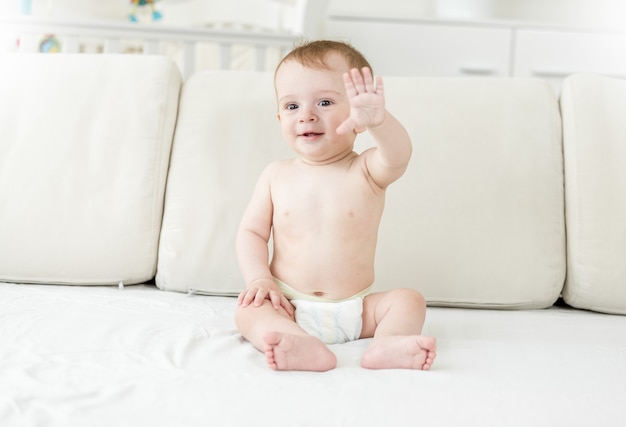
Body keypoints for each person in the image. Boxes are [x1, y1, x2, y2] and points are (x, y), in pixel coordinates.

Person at [235, 40, 436, 372]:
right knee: (248, 312)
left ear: (357, 120)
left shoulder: (367, 170)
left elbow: (399, 155)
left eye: (325, 102)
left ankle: (387, 345)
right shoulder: (275, 175)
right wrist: (259, 280)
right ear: (279, 117)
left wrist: (379, 121)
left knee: (408, 300)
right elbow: (251, 232)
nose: (307, 115)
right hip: (288, 304)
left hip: (357, 310)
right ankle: (297, 344)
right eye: (291, 106)